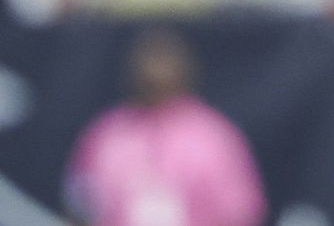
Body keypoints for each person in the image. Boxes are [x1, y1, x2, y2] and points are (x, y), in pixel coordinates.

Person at [63, 29, 267, 226]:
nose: (153, 72)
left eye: (163, 62)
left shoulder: (214, 138)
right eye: (148, 61)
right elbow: (79, 207)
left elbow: (242, 214)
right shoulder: (106, 135)